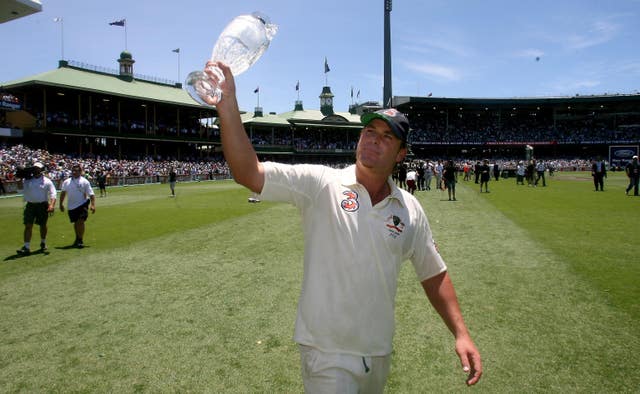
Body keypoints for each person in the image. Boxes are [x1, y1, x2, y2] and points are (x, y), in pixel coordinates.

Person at [207, 61, 482, 392]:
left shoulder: (409, 209)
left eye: (385, 137)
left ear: (401, 154)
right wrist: (228, 106)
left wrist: (461, 332)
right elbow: (248, 171)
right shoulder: (321, 184)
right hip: (326, 352)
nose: (373, 141)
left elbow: (434, 274)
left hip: (378, 352)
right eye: (369, 132)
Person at [16, 162, 56, 255]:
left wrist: (51, 205)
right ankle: (26, 247)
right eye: (34, 168)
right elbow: (20, 190)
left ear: (41, 170)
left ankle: (43, 242)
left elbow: (53, 194)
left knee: (43, 225)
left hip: (42, 205)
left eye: (37, 168)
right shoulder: (28, 180)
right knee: (28, 225)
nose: (35, 170)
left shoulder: (47, 181)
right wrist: (18, 180)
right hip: (30, 205)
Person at [59, 164, 96, 248]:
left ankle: (80, 240)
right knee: (76, 223)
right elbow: (63, 193)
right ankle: (77, 238)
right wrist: (60, 204)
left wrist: (93, 205)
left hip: (82, 204)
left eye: (76, 171)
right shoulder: (66, 182)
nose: (74, 172)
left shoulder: (85, 181)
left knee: (80, 221)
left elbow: (91, 194)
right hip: (71, 206)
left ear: (80, 172)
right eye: (73, 170)